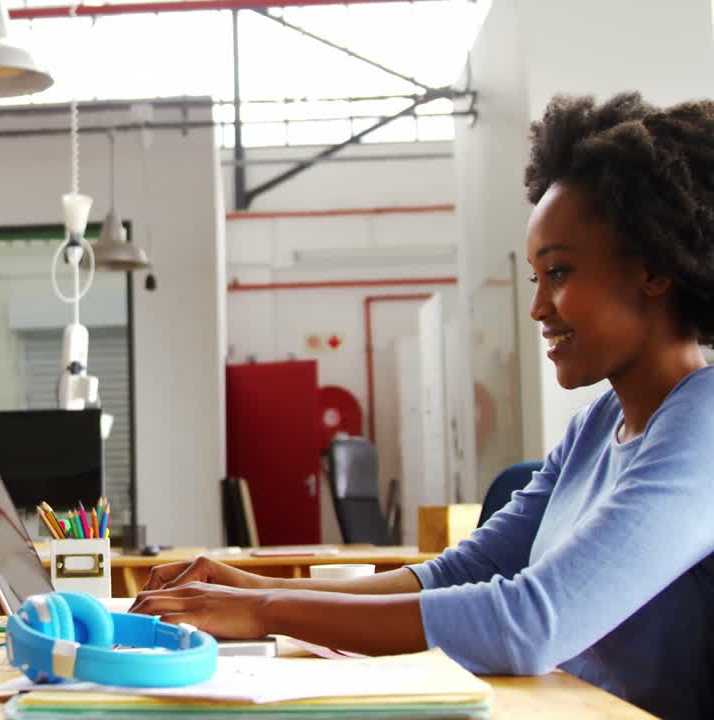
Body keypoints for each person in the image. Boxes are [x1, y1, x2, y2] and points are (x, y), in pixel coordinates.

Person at [130, 92, 714, 719]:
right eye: (535, 279)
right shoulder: (597, 427)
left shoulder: (702, 427)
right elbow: (463, 571)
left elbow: (530, 622)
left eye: (561, 272)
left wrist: (266, 612)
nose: (538, 307)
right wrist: (261, 588)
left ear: (654, 269)